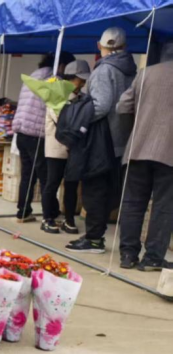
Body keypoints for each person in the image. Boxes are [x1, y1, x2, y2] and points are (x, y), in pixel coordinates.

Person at [67, 27, 136, 253]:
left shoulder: (105, 69)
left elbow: (101, 105)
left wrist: (77, 114)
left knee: (93, 188)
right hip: (121, 137)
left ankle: (94, 239)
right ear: (124, 46)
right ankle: (96, 234)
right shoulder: (131, 69)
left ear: (99, 46)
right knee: (108, 188)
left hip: (101, 139)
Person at [115, 52, 173, 271]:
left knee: (132, 203)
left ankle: (128, 255)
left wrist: (137, 127)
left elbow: (122, 107)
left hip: (138, 148)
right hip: (169, 153)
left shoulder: (145, 73)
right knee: (164, 206)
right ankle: (153, 259)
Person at [12, 52, 75, 223]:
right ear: (61, 65)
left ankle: (23, 212)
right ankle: (52, 213)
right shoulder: (53, 80)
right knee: (46, 176)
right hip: (37, 134)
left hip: (22, 132)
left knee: (27, 175)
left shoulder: (34, 75)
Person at [41, 60, 89, 235]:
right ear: (70, 78)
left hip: (74, 148)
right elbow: (62, 122)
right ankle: (47, 219)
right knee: (52, 183)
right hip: (56, 147)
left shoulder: (80, 97)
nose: (82, 84)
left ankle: (69, 220)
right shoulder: (56, 95)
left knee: (71, 185)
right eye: (80, 80)